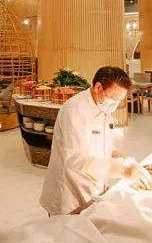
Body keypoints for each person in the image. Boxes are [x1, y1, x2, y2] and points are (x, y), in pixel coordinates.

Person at [40, 66, 137, 216]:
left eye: (119, 100)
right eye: (113, 99)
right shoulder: (75, 110)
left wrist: (123, 158)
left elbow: (105, 144)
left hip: (93, 187)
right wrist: (120, 170)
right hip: (69, 193)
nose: (115, 104)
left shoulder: (103, 107)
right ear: (98, 87)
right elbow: (75, 160)